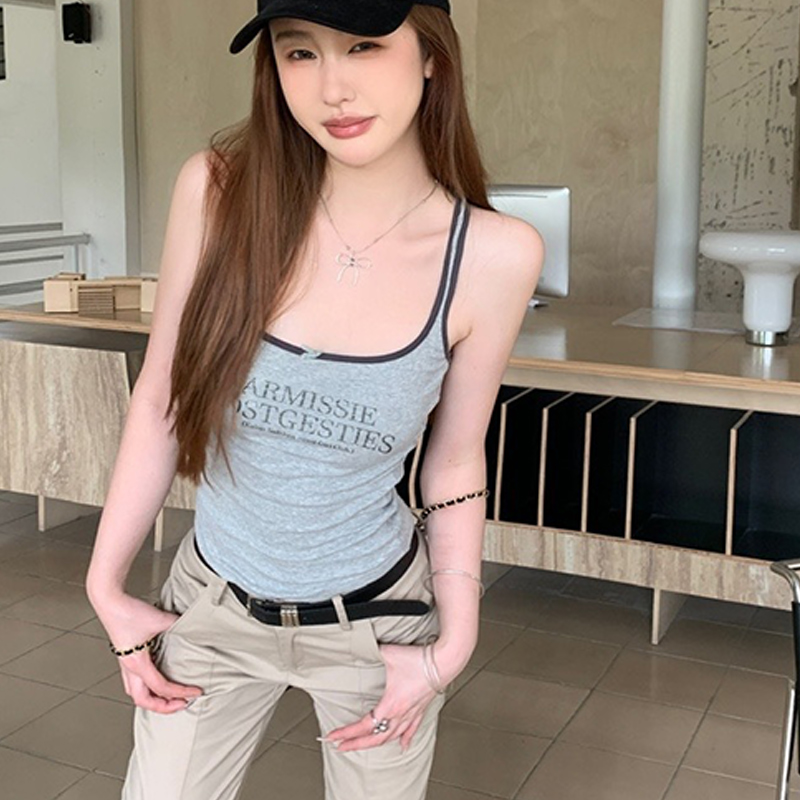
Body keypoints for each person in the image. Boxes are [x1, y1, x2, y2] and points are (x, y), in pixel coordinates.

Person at [85, 1, 544, 798]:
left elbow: (454, 459)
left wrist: (453, 645)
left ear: (431, 55)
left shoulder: (494, 255)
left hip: (377, 625)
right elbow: (162, 397)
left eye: (364, 46)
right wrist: (106, 586)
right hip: (212, 607)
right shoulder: (218, 192)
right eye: (300, 53)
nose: (333, 88)